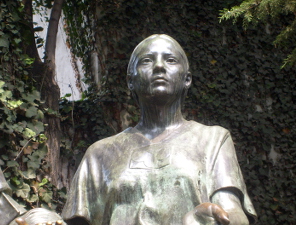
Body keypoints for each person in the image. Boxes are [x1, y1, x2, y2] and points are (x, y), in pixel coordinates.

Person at [61, 34, 257, 225]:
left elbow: (232, 210)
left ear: (187, 79)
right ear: (131, 81)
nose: (159, 67)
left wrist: (216, 220)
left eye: (171, 60)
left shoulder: (213, 140)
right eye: (146, 61)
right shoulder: (99, 154)